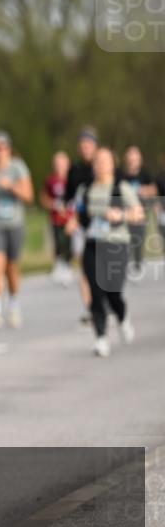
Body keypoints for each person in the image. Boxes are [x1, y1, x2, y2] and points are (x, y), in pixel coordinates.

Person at [65, 148, 142, 357]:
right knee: (95, 293)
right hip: (92, 243)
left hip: (116, 244)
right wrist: (72, 223)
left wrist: (121, 215)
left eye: (105, 161)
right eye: (97, 161)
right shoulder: (86, 189)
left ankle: (122, 317)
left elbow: (138, 213)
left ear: (112, 164)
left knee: (113, 291)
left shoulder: (121, 187)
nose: (100, 165)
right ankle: (101, 338)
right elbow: (78, 213)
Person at [0, 131, 34, 329]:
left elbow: (29, 195)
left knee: (11, 268)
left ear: (9, 149)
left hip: (14, 223)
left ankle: (13, 302)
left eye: (3, 148)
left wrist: (11, 187)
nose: (0, 152)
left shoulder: (18, 167)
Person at [65, 127, 99, 325]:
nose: (85, 148)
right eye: (82, 144)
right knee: (85, 267)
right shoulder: (74, 170)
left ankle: (102, 301)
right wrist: (69, 216)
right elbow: (69, 198)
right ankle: (90, 308)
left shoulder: (102, 167)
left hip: (101, 223)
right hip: (80, 223)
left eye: (89, 143)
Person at [118, 146, 155, 271]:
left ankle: (137, 263)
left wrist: (146, 191)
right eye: (130, 158)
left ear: (140, 160)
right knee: (125, 239)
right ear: (126, 159)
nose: (132, 160)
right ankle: (125, 262)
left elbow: (154, 189)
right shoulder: (122, 176)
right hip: (126, 213)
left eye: (135, 158)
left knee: (138, 238)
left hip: (141, 214)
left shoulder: (145, 174)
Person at [40, 151, 74, 286]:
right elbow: (44, 197)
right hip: (56, 218)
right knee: (58, 242)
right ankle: (59, 266)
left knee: (68, 243)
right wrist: (53, 204)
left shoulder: (72, 179)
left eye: (62, 164)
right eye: (57, 164)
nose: (60, 166)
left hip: (70, 219)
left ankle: (68, 266)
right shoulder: (51, 180)